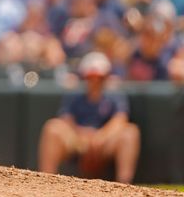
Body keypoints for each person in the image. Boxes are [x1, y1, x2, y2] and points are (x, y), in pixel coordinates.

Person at [37, 51, 140, 183]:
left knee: (130, 132)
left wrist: (101, 136)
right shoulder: (74, 93)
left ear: (106, 77)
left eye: (99, 77)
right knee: (52, 127)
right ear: (84, 77)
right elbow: (66, 119)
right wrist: (82, 135)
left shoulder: (115, 94)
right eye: (91, 77)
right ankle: (45, 183)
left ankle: (124, 186)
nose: (95, 81)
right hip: (78, 141)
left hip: (105, 142)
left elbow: (120, 119)